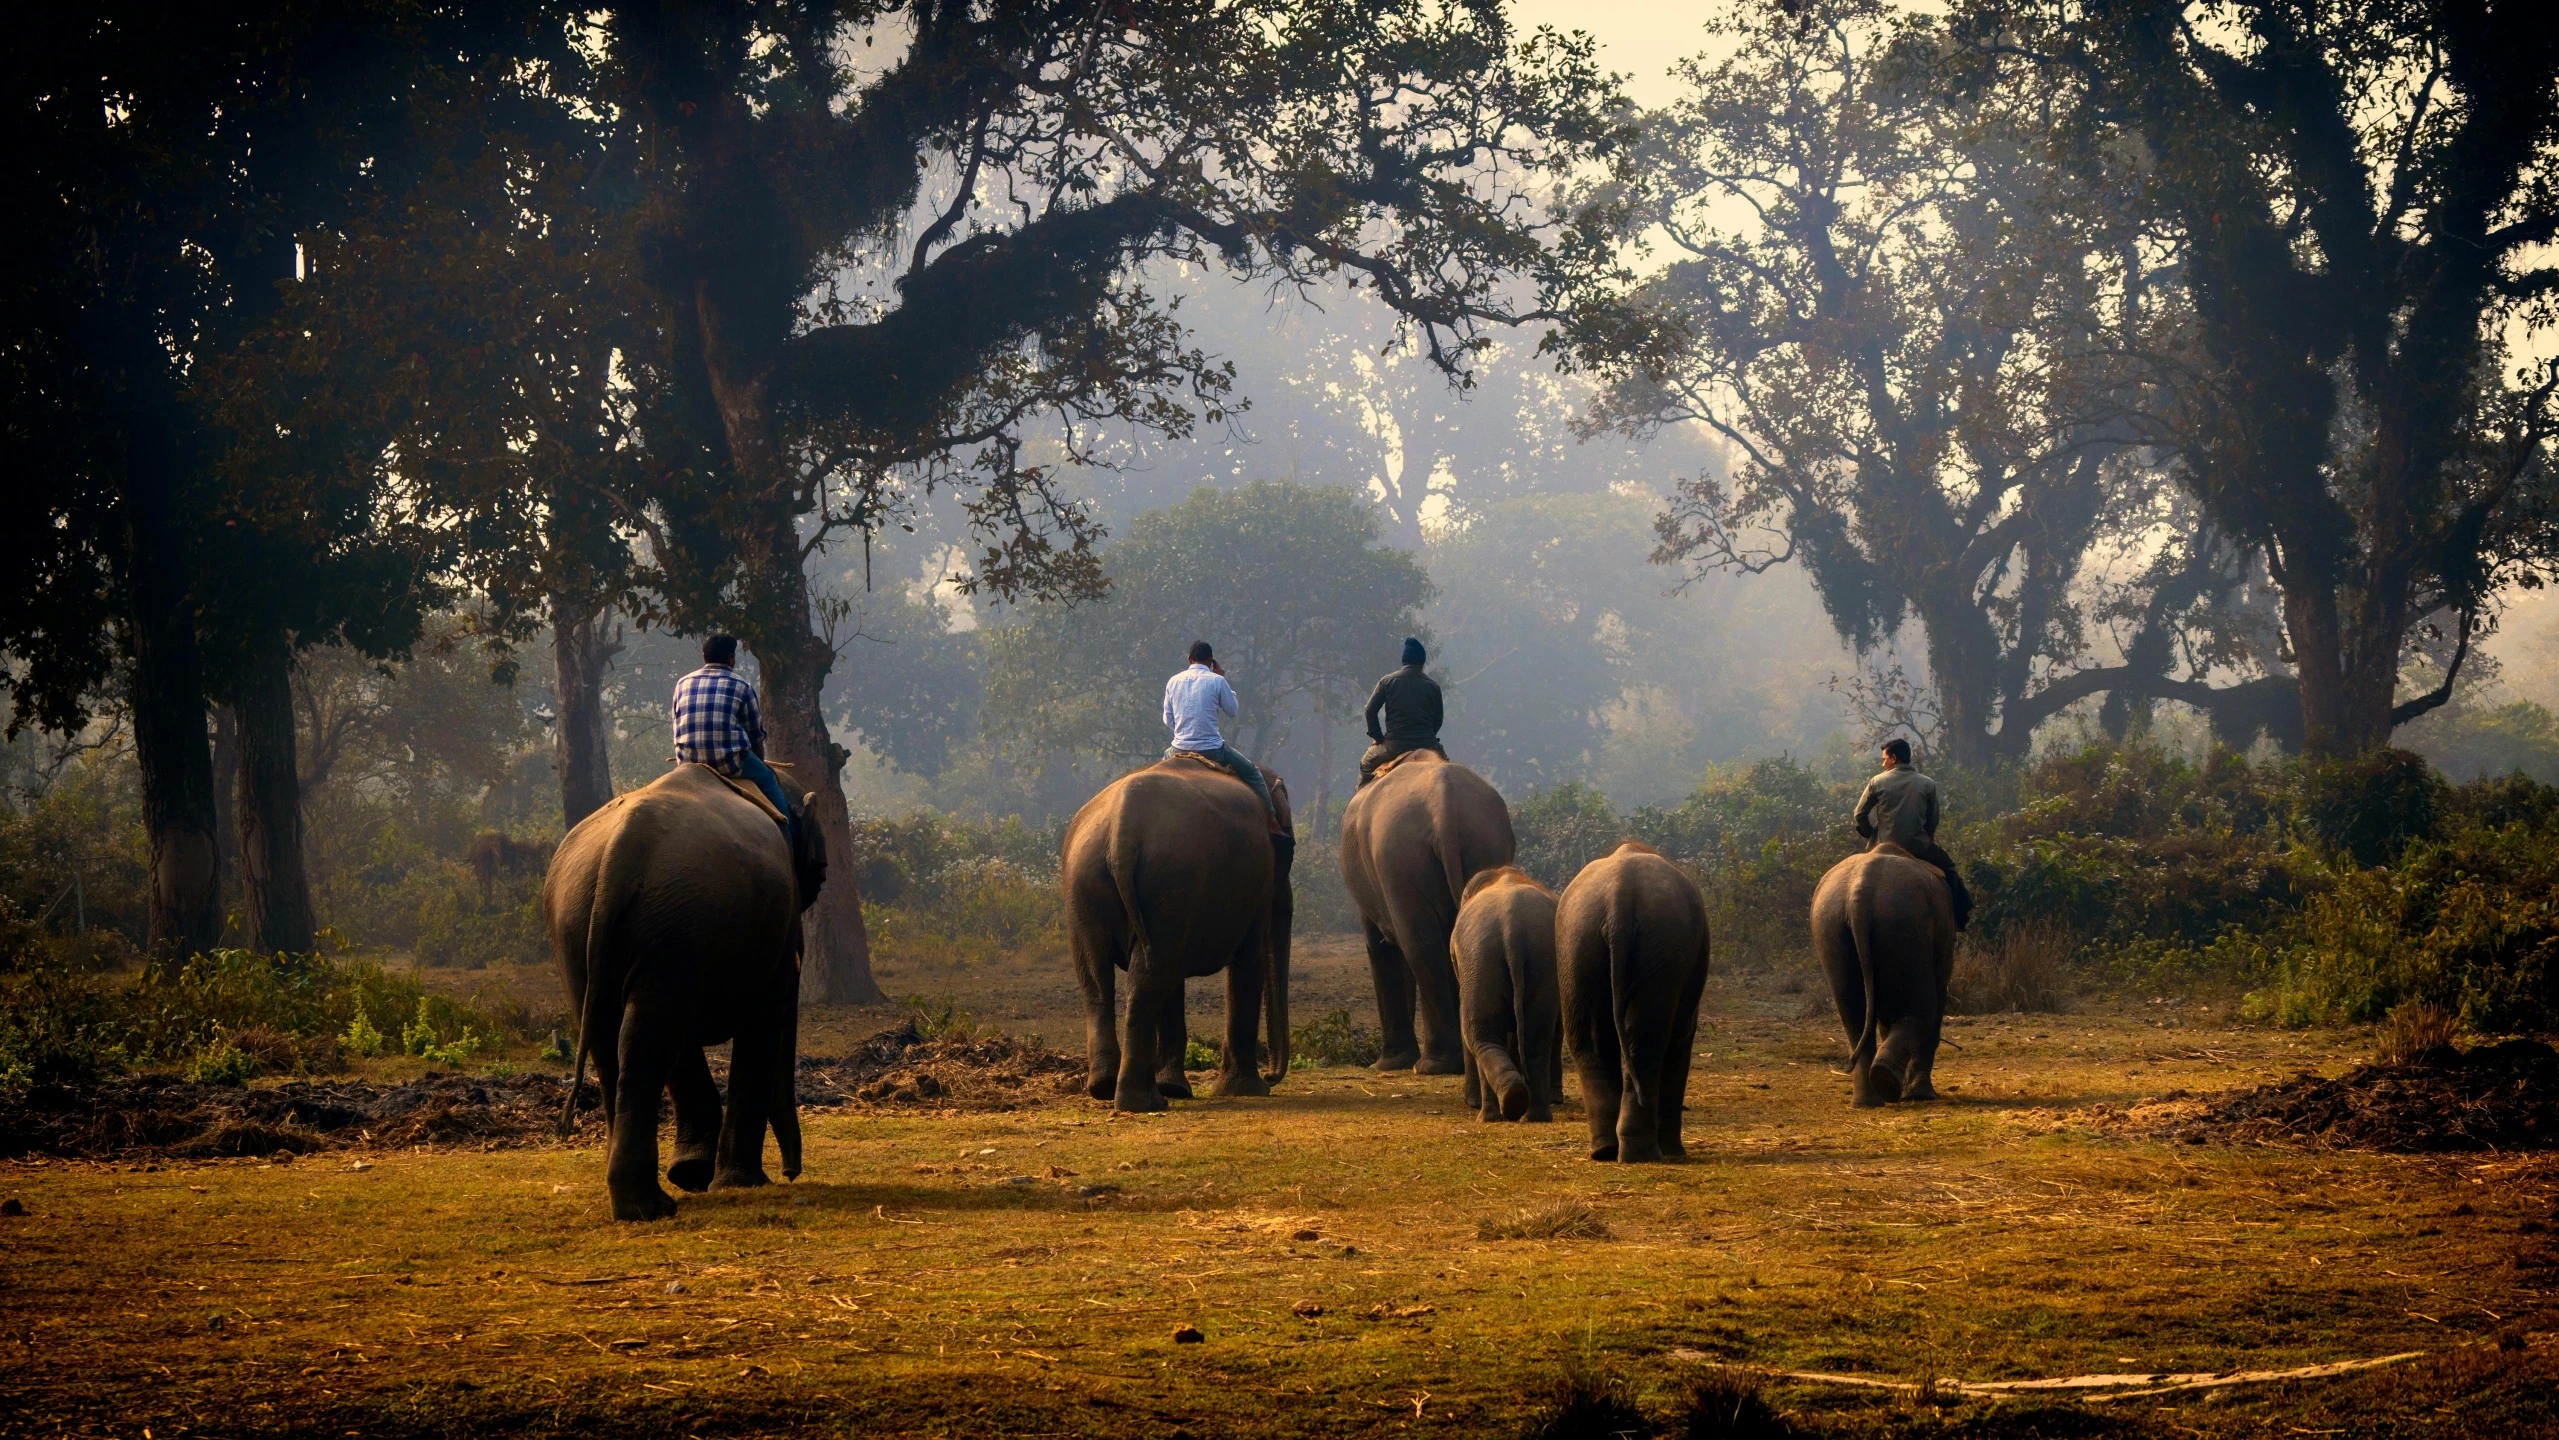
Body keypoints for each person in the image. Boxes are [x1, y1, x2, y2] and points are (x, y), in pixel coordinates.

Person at [672, 635, 798, 838]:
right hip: (730, 763)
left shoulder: (682, 684)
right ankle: (789, 834)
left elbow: (678, 727)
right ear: (731, 659)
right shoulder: (742, 686)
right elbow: (756, 736)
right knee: (768, 781)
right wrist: (760, 763)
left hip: (689, 765)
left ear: (704, 657)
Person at [1853, 737, 1972, 930]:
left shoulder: (1877, 781)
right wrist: (1925, 838)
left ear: (1893, 758)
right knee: (1950, 869)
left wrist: (1871, 835)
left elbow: (1859, 814)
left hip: (1881, 845)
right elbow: (1933, 820)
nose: (1883, 764)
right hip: (1918, 846)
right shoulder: (1928, 784)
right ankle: (1957, 919)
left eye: (1884, 759)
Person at [1162, 640, 1277, 823]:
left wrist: (1185, 731)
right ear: (1211, 661)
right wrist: (1223, 680)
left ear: (1189, 659)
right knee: (1252, 772)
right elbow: (1232, 711)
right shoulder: (1218, 680)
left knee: (1157, 776)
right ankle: (1272, 821)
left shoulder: (1173, 681)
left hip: (1179, 750)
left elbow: (1168, 720)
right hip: (1213, 750)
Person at [1357, 636, 1444, 787]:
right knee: (1447, 772)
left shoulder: (1387, 681)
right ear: (1422, 663)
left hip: (1394, 746)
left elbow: (1370, 711)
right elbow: (1438, 720)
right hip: (1428, 745)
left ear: (1404, 661)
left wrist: (1378, 737)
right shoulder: (1433, 686)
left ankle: (1357, 808)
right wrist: (1427, 737)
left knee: (1365, 764)